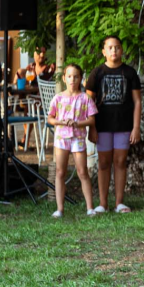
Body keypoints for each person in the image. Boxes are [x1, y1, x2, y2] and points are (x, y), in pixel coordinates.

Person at [85, 36, 141, 214]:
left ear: (122, 50)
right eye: (110, 48)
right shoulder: (97, 73)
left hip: (124, 125)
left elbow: (137, 101)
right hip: (102, 126)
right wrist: (92, 127)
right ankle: (103, 203)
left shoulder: (130, 73)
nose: (114, 51)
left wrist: (136, 127)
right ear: (103, 52)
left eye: (117, 47)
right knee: (103, 163)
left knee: (120, 161)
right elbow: (88, 102)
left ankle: (119, 203)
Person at [46, 63, 97, 218]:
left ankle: (90, 208)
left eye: (76, 76)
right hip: (61, 138)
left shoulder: (85, 98)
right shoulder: (58, 98)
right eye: (69, 76)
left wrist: (77, 123)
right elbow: (50, 118)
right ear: (64, 78)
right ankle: (60, 209)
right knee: (60, 171)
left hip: (78, 138)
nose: (72, 79)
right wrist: (61, 122)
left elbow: (91, 120)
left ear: (81, 78)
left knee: (82, 171)